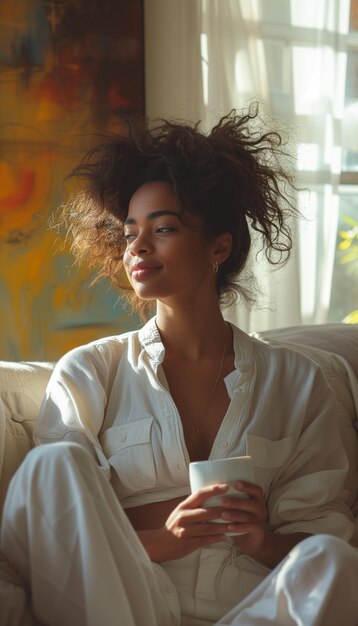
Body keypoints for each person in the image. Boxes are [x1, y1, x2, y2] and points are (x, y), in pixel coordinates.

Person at [1, 107, 358, 626]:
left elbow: (323, 531)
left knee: (334, 562)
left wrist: (262, 540)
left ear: (219, 246)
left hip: (248, 610)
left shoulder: (298, 381)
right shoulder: (91, 371)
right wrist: (167, 536)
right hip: (125, 605)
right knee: (53, 466)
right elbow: (55, 518)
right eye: (129, 234)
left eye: (163, 228)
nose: (138, 247)